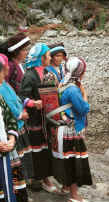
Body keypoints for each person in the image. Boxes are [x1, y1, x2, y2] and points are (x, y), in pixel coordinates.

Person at [49, 57, 92, 202]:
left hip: (61, 128)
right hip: (71, 131)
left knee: (66, 160)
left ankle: (65, 187)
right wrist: (85, 95)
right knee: (74, 161)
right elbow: (83, 109)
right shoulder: (73, 89)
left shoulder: (62, 84)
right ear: (80, 72)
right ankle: (74, 196)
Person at [20, 43, 58, 192]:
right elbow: (21, 96)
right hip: (34, 120)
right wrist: (32, 102)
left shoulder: (47, 72)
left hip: (46, 119)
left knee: (46, 147)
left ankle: (45, 176)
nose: (50, 58)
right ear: (41, 58)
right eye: (48, 55)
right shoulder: (29, 75)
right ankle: (41, 179)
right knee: (37, 150)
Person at [0, 62, 30, 202]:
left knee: (10, 193)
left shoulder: (0, 97)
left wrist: (11, 139)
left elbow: (9, 118)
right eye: (2, 73)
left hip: (6, 152)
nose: (4, 76)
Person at [0, 53, 34, 182]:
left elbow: (15, 102)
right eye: (5, 66)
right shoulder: (2, 88)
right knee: (17, 162)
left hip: (13, 131)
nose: (8, 67)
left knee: (21, 160)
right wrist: (20, 114)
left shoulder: (5, 84)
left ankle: (22, 187)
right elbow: (9, 108)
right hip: (9, 134)